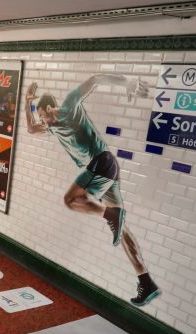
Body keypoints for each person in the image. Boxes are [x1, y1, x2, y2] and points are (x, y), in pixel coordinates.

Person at [25, 75, 160, 306]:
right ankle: (145, 280)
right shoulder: (52, 127)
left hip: (102, 163)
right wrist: (28, 103)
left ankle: (110, 215)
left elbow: (95, 79)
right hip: (106, 171)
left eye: (43, 115)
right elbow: (30, 129)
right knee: (122, 230)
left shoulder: (69, 106)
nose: (43, 121)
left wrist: (126, 83)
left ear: (49, 108)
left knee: (70, 200)